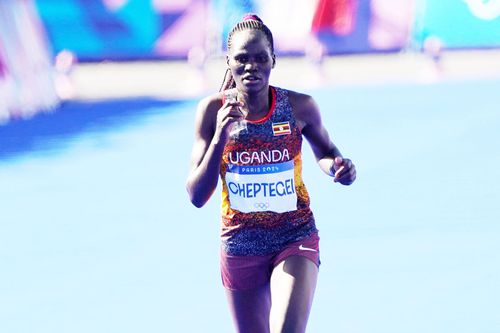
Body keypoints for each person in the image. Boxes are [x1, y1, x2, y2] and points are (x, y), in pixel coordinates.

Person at [186, 14, 356, 333]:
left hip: (293, 235)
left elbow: (326, 151)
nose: (251, 67)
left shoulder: (299, 107)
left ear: (273, 60)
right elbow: (196, 195)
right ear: (229, 63)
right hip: (240, 244)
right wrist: (222, 135)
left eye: (260, 58)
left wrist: (338, 167)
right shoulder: (212, 111)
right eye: (242, 59)